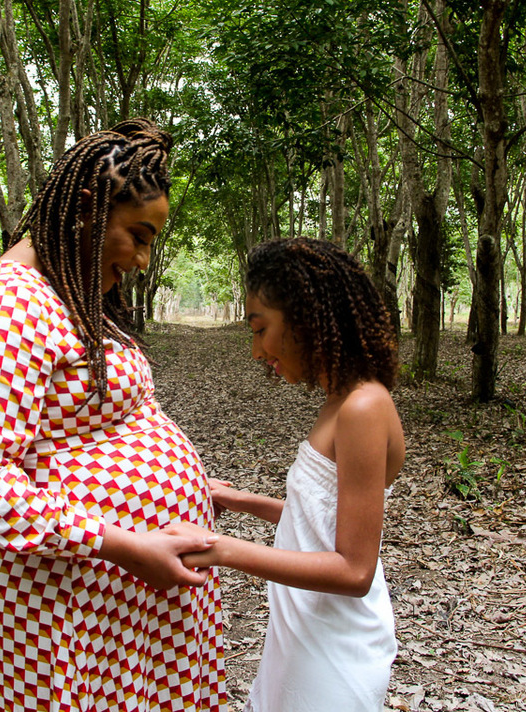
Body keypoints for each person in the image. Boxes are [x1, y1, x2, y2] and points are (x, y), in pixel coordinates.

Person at [0, 119, 224, 712]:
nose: (142, 260)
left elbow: (102, 421)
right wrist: (118, 541)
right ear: (86, 208)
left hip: (117, 605)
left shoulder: (72, 293)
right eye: (138, 236)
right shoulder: (10, 303)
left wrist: (186, 484)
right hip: (61, 608)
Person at [166, 237, 405, 712]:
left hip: (336, 648)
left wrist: (223, 551)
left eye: (260, 329)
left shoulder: (364, 407)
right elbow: (314, 524)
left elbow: (354, 570)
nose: (257, 351)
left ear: (305, 318)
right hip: (301, 632)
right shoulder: (340, 402)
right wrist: (240, 501)